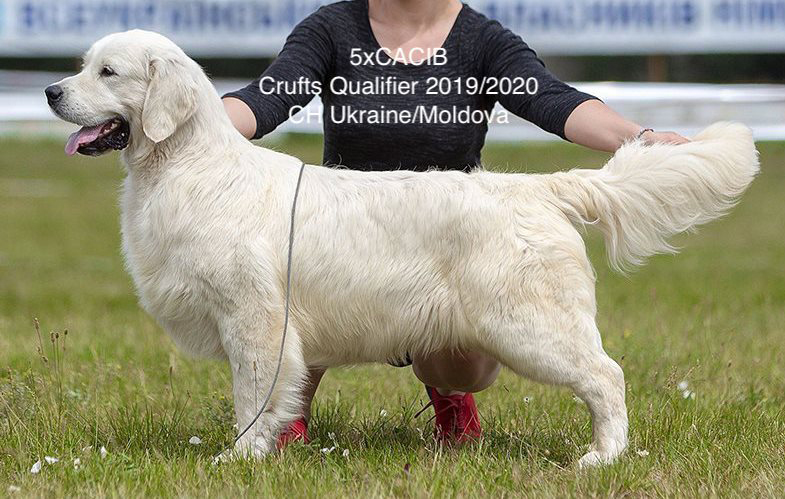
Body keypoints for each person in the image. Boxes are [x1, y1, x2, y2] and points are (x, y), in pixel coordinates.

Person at [222, 0, 689, 447]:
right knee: (294, 271)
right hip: (346, 248)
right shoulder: (332, 29)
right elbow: (267, 99)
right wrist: (200, 119)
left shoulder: (480, 41)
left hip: (447, 252)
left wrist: (639, 138)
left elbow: (554, 100)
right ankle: (286, 414)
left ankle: (450, 395)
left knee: (466, 366)